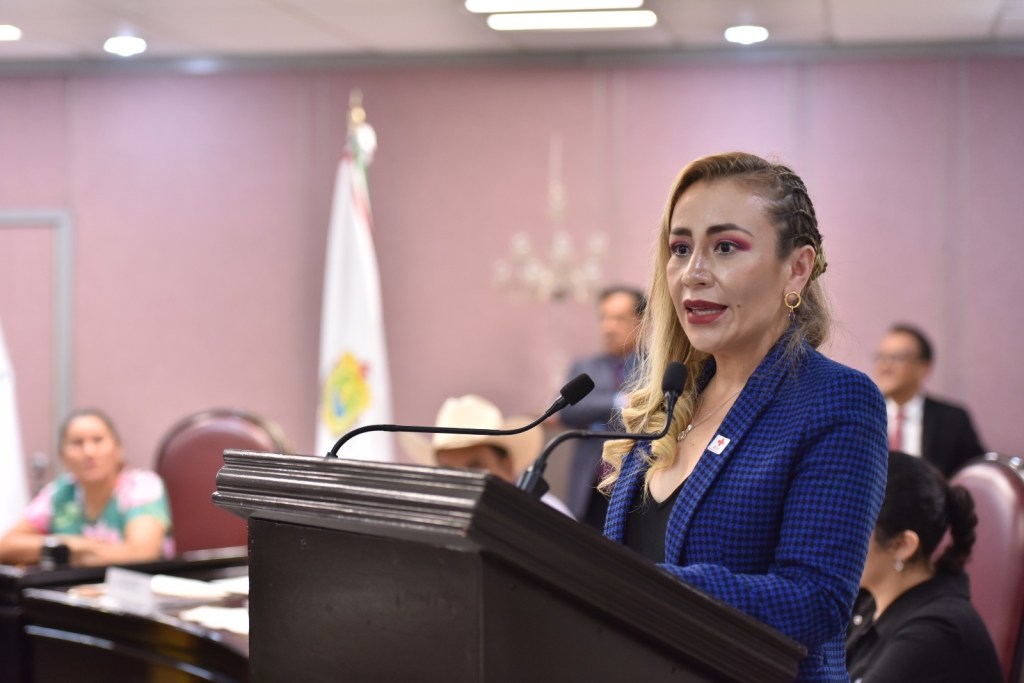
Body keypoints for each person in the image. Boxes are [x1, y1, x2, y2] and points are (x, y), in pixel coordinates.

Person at [599, 152, 888, 682]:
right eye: (680, 248)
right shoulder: (671, 400)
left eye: (726, 247)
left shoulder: (836, 399)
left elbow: (814, 601)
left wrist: (639, 591)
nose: (693, 273)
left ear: (797, 268)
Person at [845, 451, 1002, 683]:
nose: (831, 541)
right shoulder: (871, 602)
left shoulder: (936, 632)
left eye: (852, 528)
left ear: (903, 545)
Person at [0, 409, 174, 567]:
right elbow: (5, 546)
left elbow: (141, 554)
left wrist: (61, 556)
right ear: (62, 456)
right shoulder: (59, 492)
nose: (89, 452)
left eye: (98, 440)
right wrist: (71, 544)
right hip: (71, 588)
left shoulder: (141, 486)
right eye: (77, 443)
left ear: (118, 448)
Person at [400, 394, 574, 517]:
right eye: (450, 472)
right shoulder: (430, 522)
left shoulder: (549, 517)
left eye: (475, 468)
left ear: (507, 466)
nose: (463, 481)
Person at [560, 285, 645, 530]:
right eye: (604, 318)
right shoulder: (585, 367)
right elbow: (570, 410)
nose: (609, 327)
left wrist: (597, 409)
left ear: (641, 322)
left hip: (637, 484)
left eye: (619, 319)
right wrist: (621, 402)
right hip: (591, 485)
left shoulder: (655, 366)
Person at [873, 324, 985, 477]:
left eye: (897, 358)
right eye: (881, 357)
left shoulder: (952, 420)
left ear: (923, 367)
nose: (885, 366)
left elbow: (976, 474)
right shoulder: (865, 414)